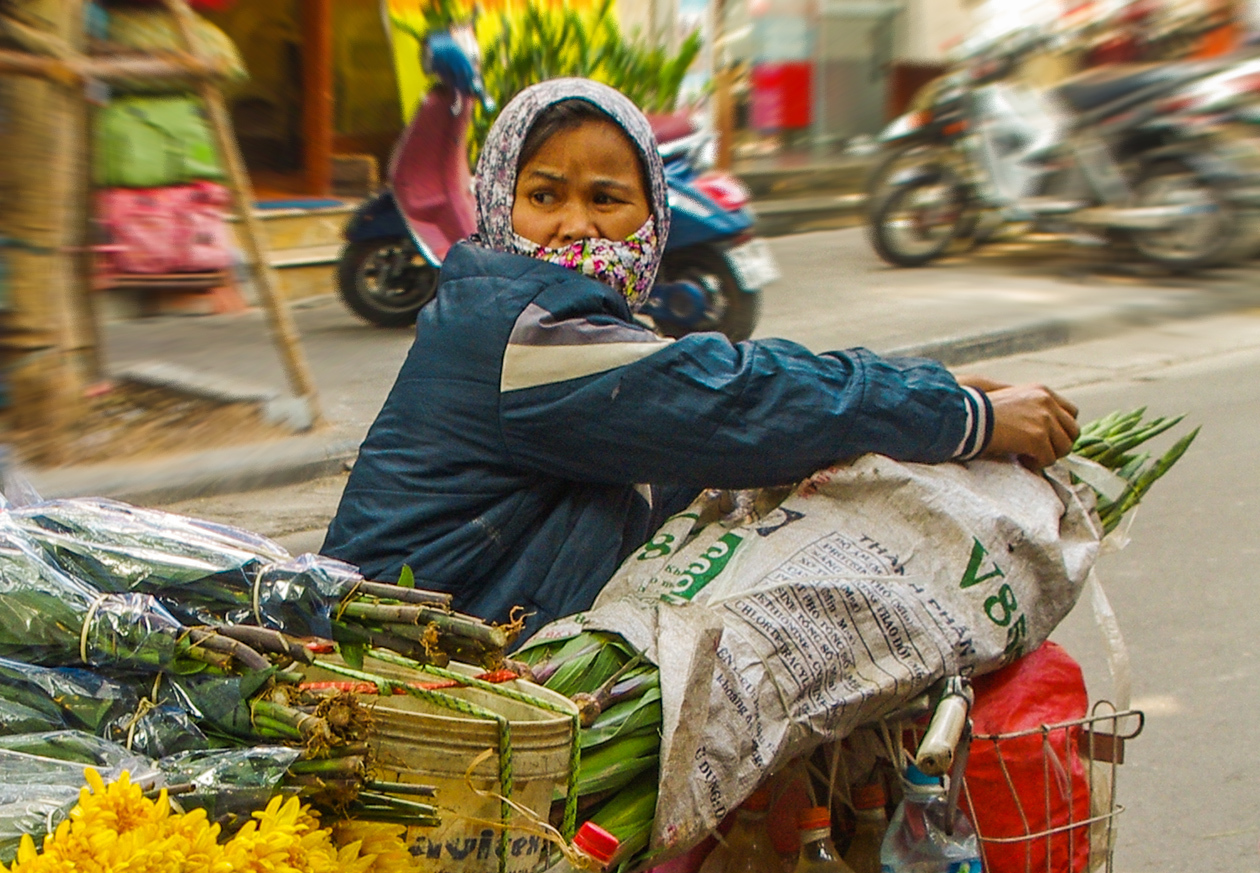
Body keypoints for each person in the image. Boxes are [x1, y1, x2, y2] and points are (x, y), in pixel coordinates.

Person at [322, 78, 1079, 636]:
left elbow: (703, 398)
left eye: (607, 200)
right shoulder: (515, 333)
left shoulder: (560, 327)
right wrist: (962, 417)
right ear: (497, 200)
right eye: (544, 196)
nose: (574, 227)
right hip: (406, 685)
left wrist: (926, 390)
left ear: (653, 219)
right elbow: (734, 401)